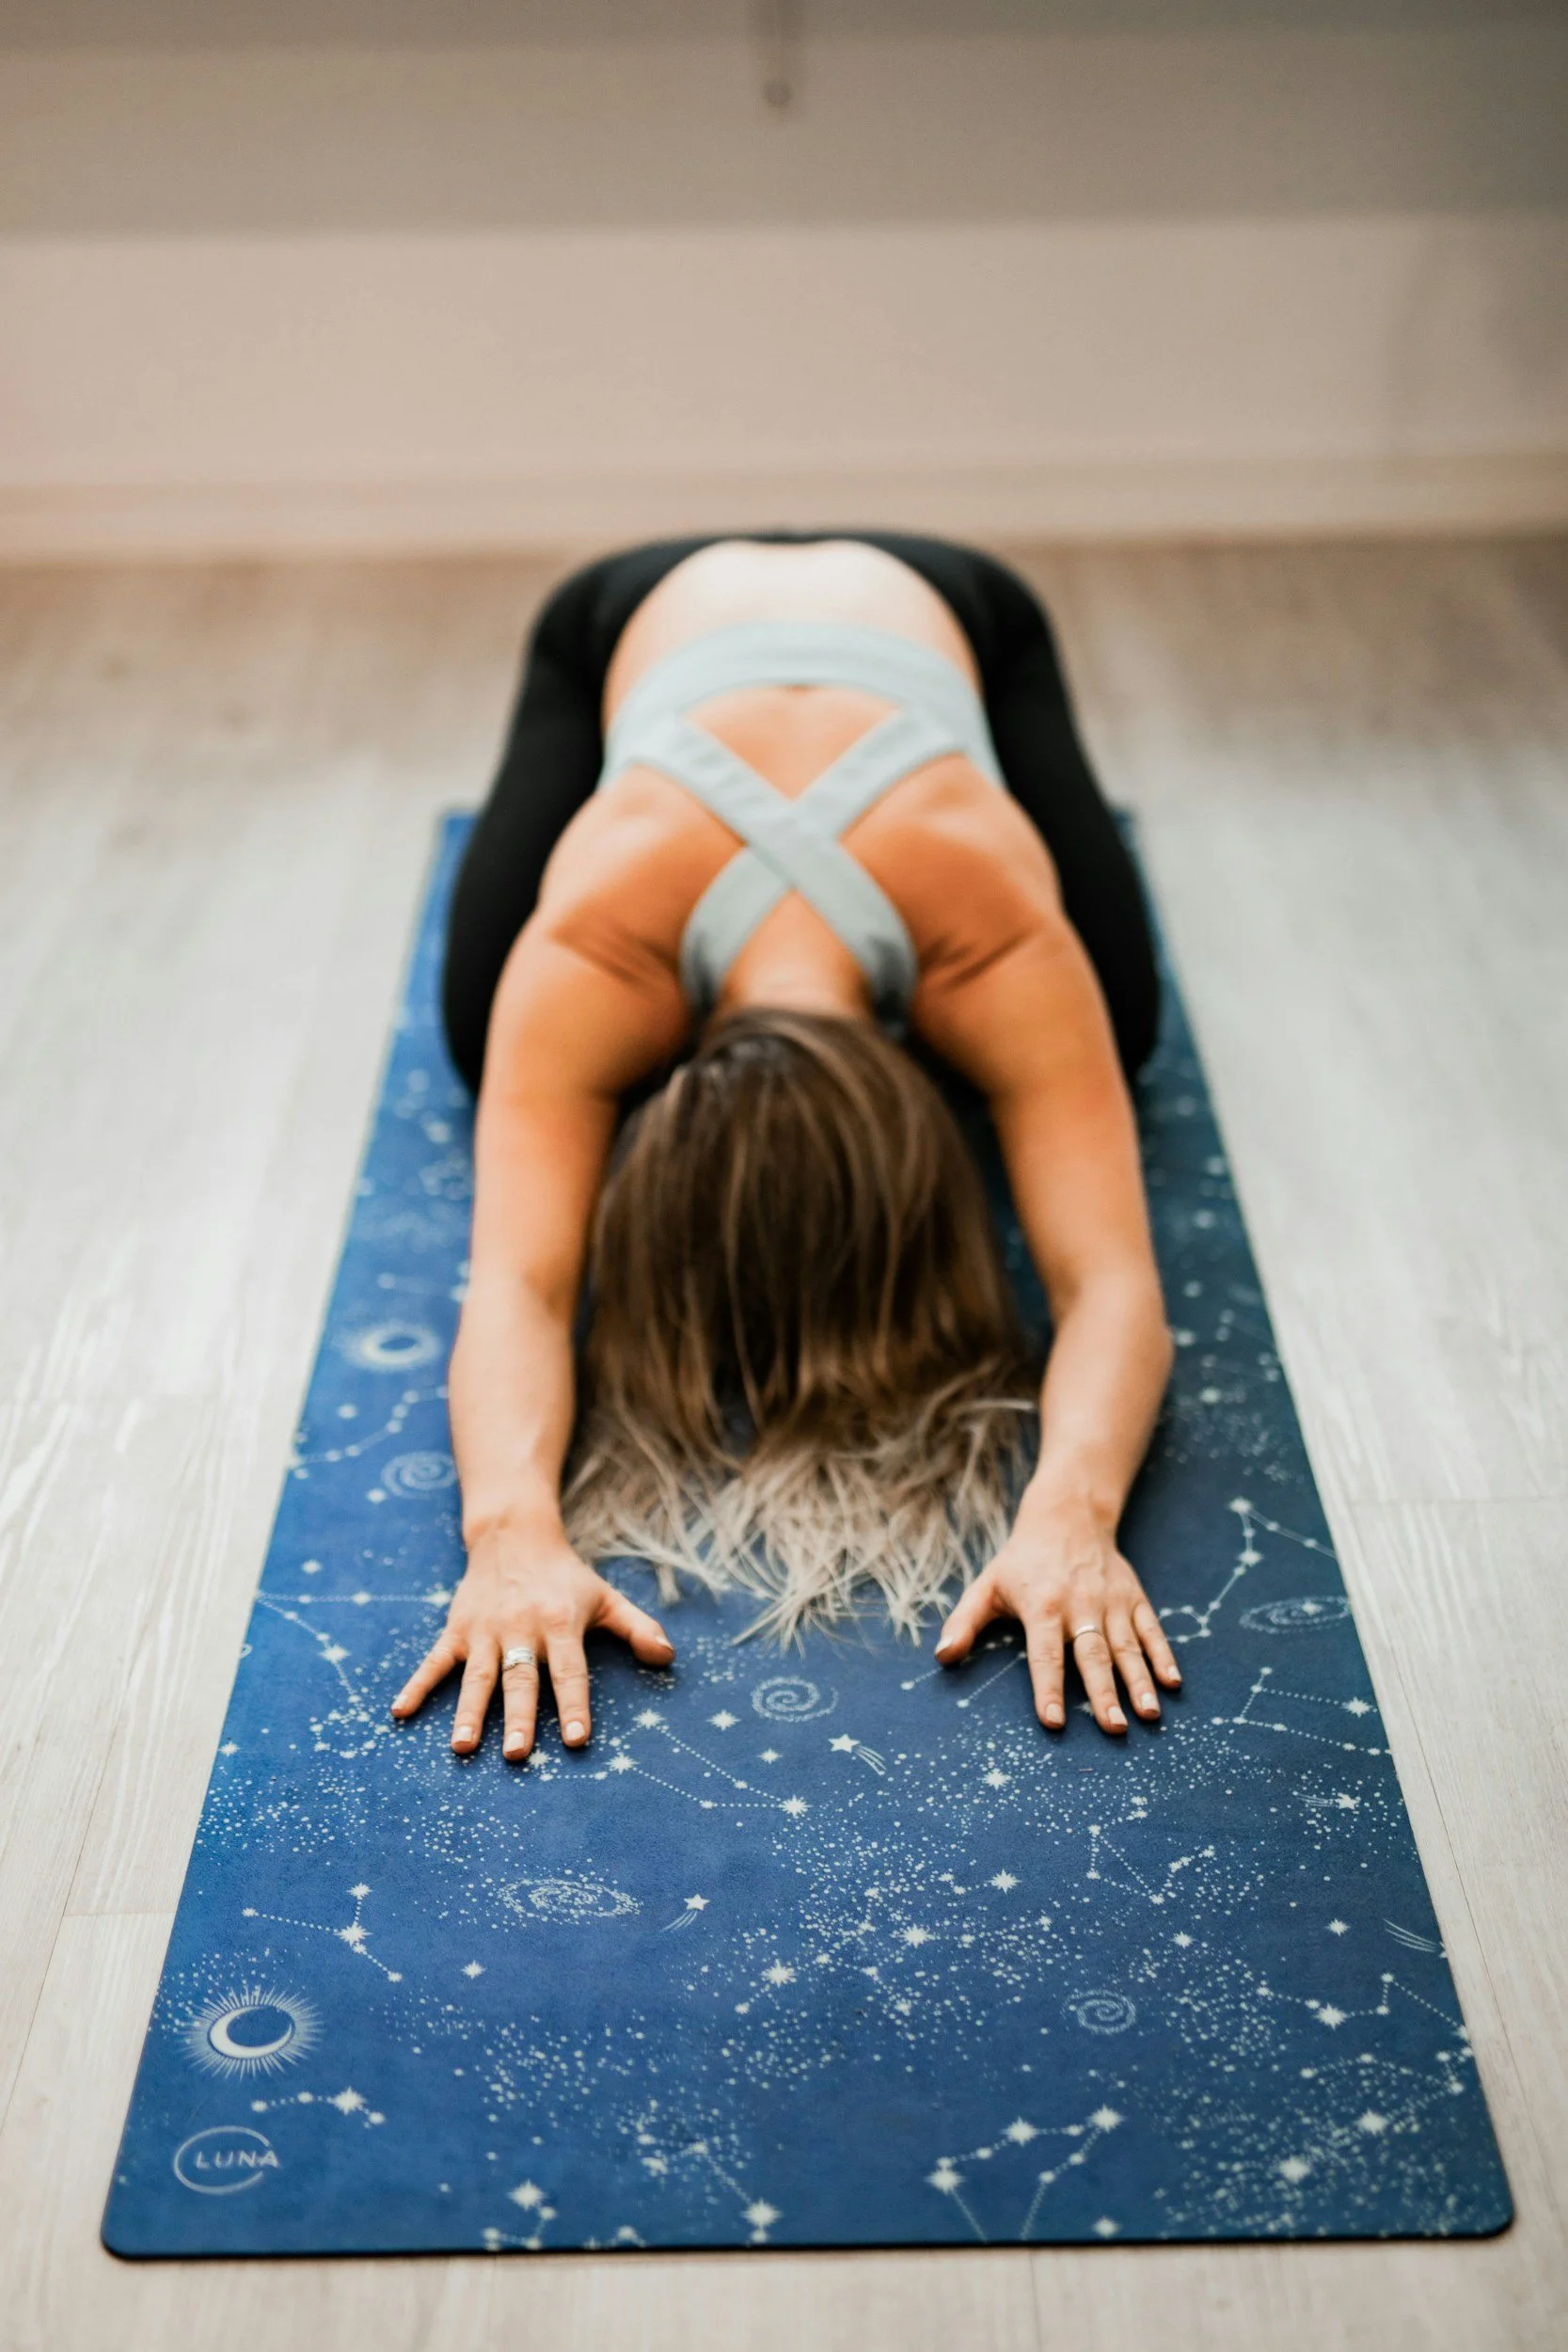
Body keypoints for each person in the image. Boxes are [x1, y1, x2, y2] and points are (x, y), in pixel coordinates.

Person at [390, 532, 1180, 1767]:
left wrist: (1073, 1515)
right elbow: (520, 1288)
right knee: (477, 1030)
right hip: (640, 624)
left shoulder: (991, 934)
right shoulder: (595, 946)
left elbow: (1114, 1287)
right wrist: (509, 1534)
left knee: (1123, 1027)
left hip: (944, 614)